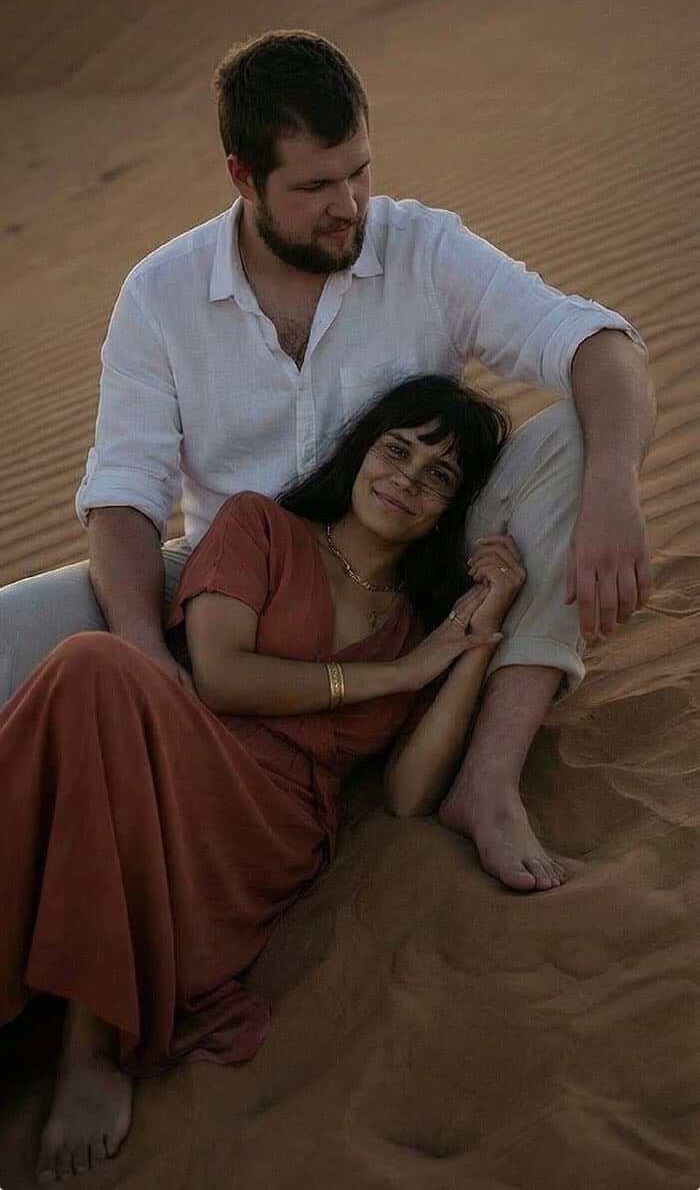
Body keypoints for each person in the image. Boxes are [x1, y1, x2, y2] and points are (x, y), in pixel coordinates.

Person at [0, 29, 655, 896]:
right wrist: (143, 658)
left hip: (412, 565)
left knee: (581, 433)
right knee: (14, 632)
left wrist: (614, 486)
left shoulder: (424, 248)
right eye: (314, 186)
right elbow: (124, 496)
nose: (348, 204)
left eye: (360, 171)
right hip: (235, 586)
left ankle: (488, 782)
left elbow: (598, 344)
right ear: (241, 176)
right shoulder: (161, 296)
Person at [1, 376, 533, 1184]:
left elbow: (408, 793)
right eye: (398, 450)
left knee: (90, 670)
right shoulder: (261, 526)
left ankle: (92, 1047)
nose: (407, 479)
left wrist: (477, 636)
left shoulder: (417, 626)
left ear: (449, 508)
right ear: (363, 452)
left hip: (266, 833)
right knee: (92, 670)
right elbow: (218, 678)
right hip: (181, 746)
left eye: (439, 476)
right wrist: (394, 678)